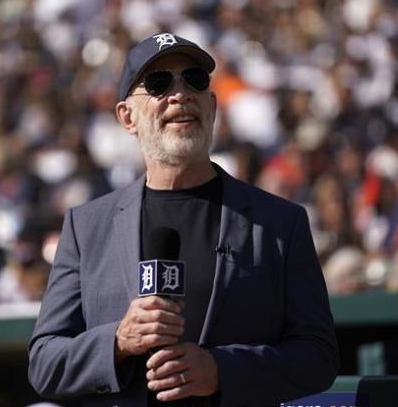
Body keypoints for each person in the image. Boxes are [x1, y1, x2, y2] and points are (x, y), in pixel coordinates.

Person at [28, 33, 339, 407]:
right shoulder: (86, 227)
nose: (180, 93)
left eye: (194, 80)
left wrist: (222, 370)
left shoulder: (279, 223)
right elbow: (45, 363)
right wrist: (118, 341)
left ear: (211, 104)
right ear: (127, 117)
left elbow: (318, 357)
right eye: (158, 84)